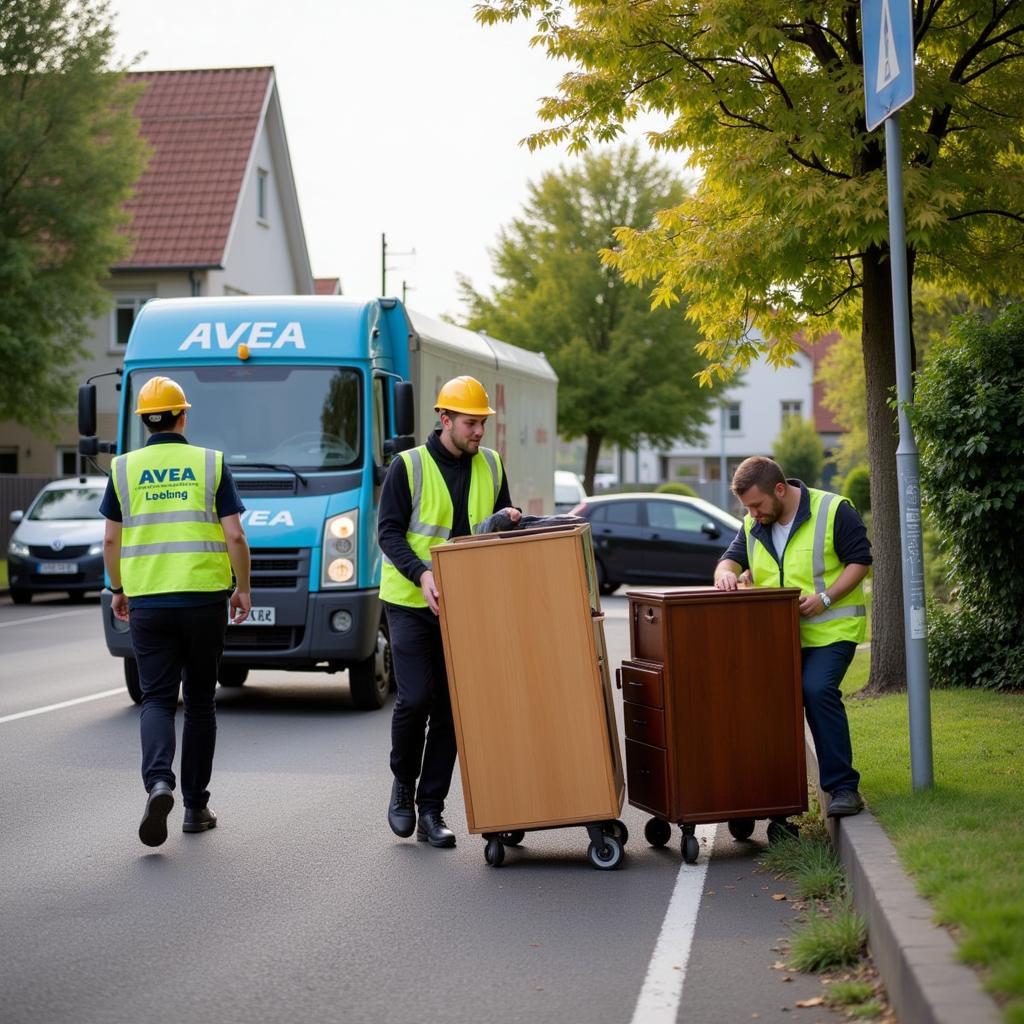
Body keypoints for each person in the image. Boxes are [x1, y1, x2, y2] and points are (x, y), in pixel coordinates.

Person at [100, 376, 252, 847]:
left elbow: (110, 538)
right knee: (202, 702)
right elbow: (235, 536)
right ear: (183, 416)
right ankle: (194, 806)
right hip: (204, 600)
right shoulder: (210, 463)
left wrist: (118, 589)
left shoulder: (122, 468)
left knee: (158, 700)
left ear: (145, 421)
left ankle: (158, 783)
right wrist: (242, 587)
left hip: (148, 601)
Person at [378, 375, 520, 848]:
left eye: (482, 423)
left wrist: (504, 521)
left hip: (468, 606)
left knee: (452, 710)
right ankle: (403, 784)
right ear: (444, 420)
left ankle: (431, 810)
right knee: (416, 698)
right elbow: (389, 533)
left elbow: (494, 528)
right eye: (470, 423)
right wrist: (422, 573)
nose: (479, 432)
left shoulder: (493, 465)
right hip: (411, 603)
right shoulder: (409, 467)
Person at [713, 456, 870, 819]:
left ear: (779, 489)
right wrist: (726, 575)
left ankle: (843, 787)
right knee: (764, 702)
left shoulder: (833, 510)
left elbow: (860, 560)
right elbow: (729, 560)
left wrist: (826, 597)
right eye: (747, 507)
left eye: (757, 505)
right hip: (778, 638)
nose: (752, 514)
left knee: (816, 690)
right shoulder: (753, 524)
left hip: (832, 630)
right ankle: (770, 795)